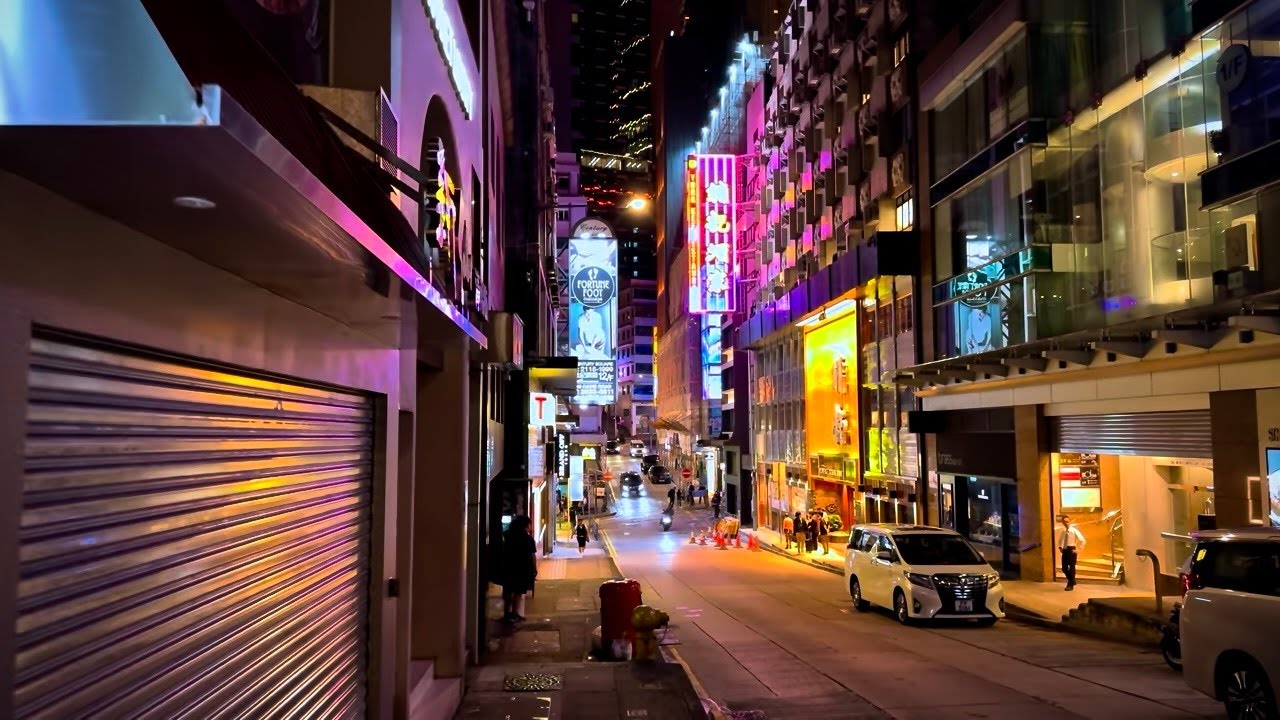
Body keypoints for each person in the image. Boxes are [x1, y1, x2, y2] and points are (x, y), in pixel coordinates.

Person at [500, 516, 537, 623]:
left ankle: (507, 613)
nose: (529, 528)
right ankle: (515, 613)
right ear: (525, 526)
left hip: (508, 566)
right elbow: (532, 555)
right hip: (522, 568)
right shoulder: (528, 539)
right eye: (528, 525)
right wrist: (534, 568)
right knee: (518, 591)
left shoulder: (507, 535)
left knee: (508, 590)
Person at [1057, 514, 1086, 590]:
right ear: (1062, 523)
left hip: (1071, 550)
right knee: (1064, 568)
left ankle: (1070, 585)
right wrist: (1060, 547)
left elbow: (1083, 540)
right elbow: (1060, 540)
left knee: (1072, 568)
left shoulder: (1074, 531)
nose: (1066, 523)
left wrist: (1078, 549)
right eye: (1064, 522)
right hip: (1065, 550)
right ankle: (1072, 580)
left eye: (1067, 521)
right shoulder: (1063, 531)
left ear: (1070, 521)